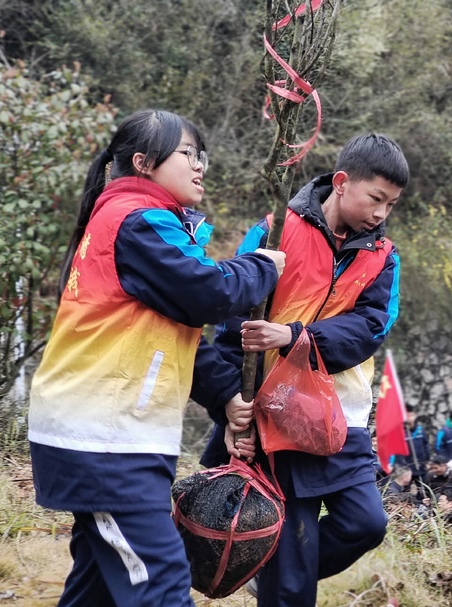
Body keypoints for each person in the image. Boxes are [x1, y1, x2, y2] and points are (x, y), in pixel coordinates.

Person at [27, 110, 285, 607]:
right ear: (143, 163)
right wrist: (261, 267)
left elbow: (175, 332)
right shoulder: (138, 220)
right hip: (103, 439)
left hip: (112, 436)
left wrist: (225, 397)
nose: (199, 166)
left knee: (97, 588)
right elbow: (209, 293)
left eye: (200, 155)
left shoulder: (144, 223)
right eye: (188, 153)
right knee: (162, 583)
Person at [196, 133, 409, 607]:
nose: (380, 214)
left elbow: (372, 327)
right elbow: (233, 330)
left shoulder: (383, 257)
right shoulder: (274, 231)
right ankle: (277, 576)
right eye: (375, 198)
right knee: (292, 575)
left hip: (337, 420)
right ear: (340, 182)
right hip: (275, 417)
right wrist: (230, 411)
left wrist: (296, 337)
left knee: (365, 524)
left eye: (390, 205)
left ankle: (264, 569)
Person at [392, 407, 431, 483]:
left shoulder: (420, 429)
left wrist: (427, 461)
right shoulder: (399, 432)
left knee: (424, 488)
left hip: (421, 466)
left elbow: (426, 446)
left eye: (411, 415)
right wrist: (403, 467)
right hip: (407, 468)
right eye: (407, 415)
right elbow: (397, 453)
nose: (410, 418)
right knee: (406, 490)